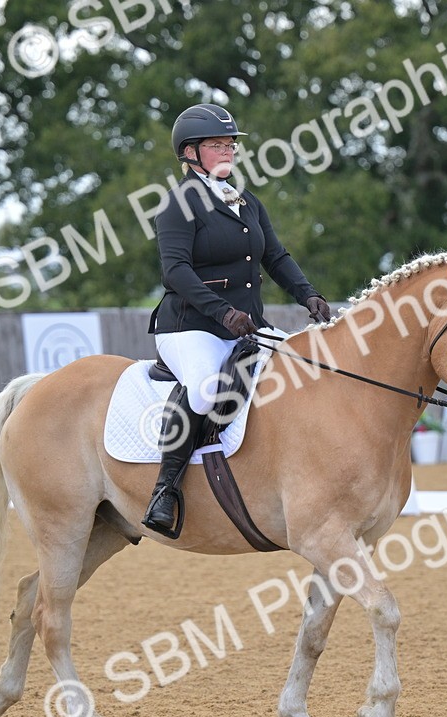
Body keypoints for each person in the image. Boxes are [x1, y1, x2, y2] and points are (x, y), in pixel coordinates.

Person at [142, 102, 331, 537]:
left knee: (303, 370)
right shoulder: (178, 205)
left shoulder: (245, 201)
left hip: (247, 326)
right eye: (216, 145)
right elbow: (176, 271)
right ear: (190, 153)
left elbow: (276, 256)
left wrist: (309, 294)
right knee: (207, 389)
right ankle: (165, 489)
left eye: (230, 145)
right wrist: (223, 312)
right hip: (191, 327)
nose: (227, 151)